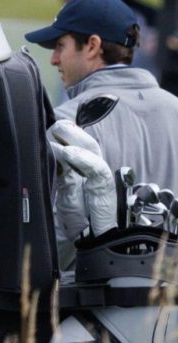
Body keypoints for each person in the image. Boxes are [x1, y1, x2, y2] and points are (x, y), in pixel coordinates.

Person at [25, 0, 178, 268]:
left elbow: (55, 243)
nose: (54, 59)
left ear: (93, 46)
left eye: (61, 46)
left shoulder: (65, 124)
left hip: (91, 305)